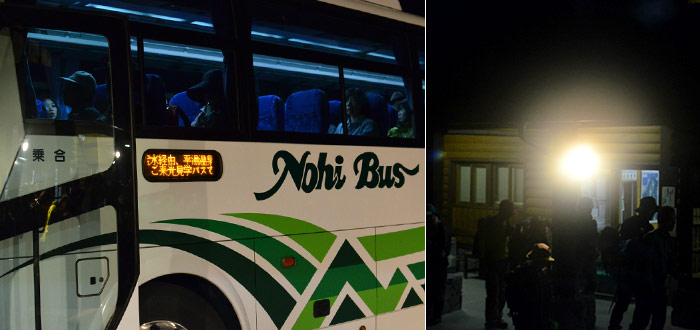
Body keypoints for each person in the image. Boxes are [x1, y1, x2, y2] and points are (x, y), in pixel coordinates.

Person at [608, 196, 658, 330]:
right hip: (632, 269)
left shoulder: (632, 223)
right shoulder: (643, 227)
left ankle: (615, 325)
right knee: (632, 302)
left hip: (630, 270)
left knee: (624, 301)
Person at [629, 206, 677, 330]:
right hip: (649, 287)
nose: (674, 222)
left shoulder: (662, 239)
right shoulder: (653, 239)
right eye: (672, 219)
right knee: (643, 321)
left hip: (656, 287)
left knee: (653, 320)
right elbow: (647, 265)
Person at [475, 199, 515, 330]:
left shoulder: (505, 223)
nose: (513, 213)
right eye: (511, 210)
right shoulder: (492, 223)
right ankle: (490, 321)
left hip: (503, 260)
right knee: (493, 292)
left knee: (502, 292)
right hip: (492, 261)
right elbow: (485, 243)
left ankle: (497, 317)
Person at [507, 243, 556, 330]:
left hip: (539, 313)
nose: (545, 263)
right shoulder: (523, 272)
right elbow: (513, 292)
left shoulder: (543, 272)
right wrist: (514, 309)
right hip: (526, 312)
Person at [426, 203, 450, 326]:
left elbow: (444, 248)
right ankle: (428, 315)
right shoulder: (427, 228)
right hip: (430, 264)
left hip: (439, 264)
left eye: (430, 217)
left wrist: (430, 244)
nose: (429, 220)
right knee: (429, 291)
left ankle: (436, 316)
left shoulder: (442, 229)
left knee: (438, 291)